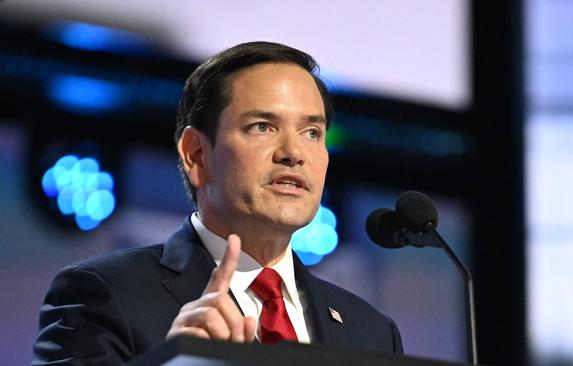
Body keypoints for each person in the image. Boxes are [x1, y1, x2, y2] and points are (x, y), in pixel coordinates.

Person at [32, 41, 402, 365]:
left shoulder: (371, 333)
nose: (294, 153)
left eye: (312, 132)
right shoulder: (104, 293)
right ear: (196, 155)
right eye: (262, 126)